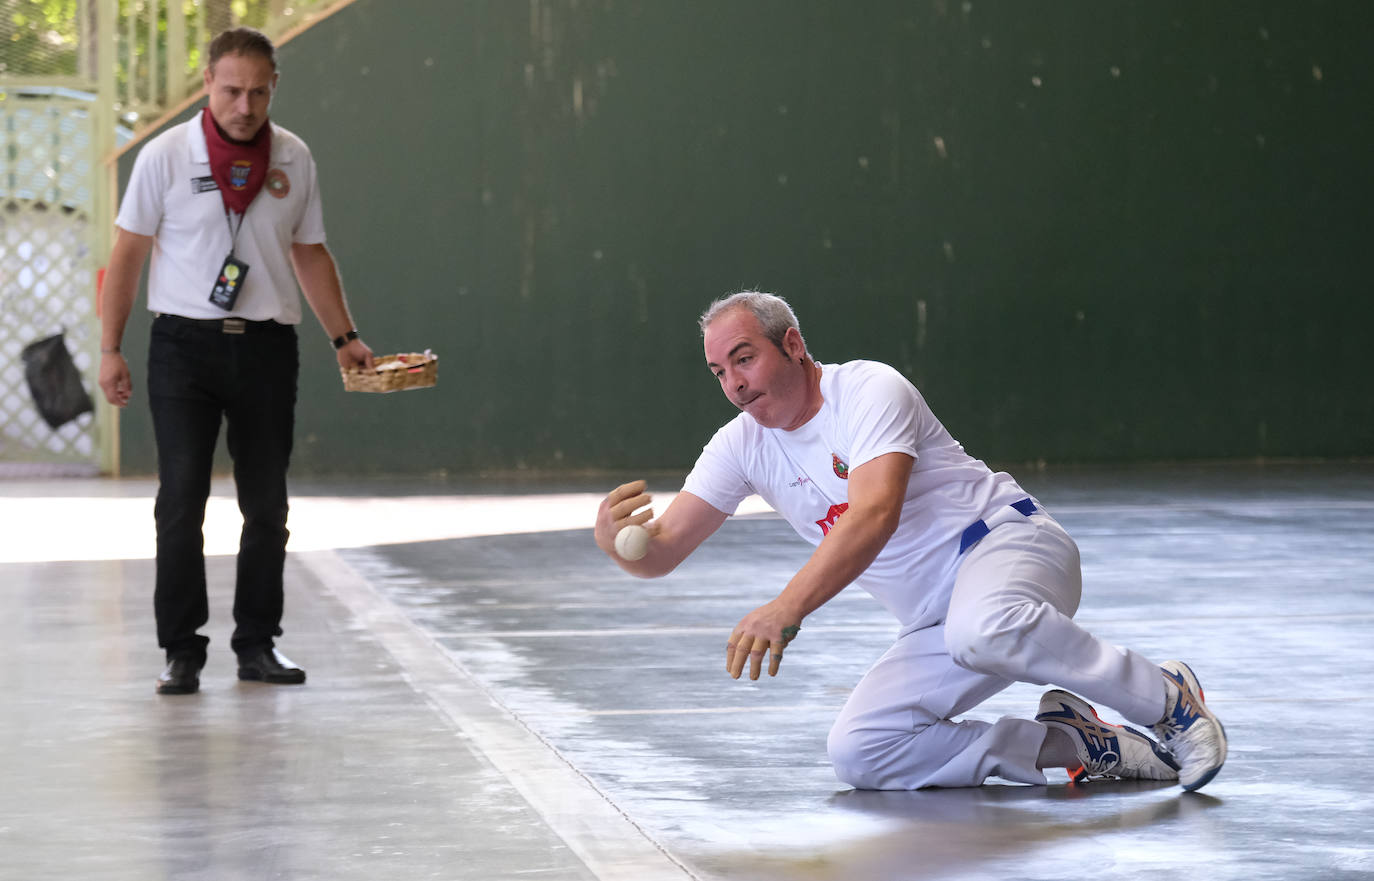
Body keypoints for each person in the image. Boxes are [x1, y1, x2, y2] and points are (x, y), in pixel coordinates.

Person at [594, 291, 1227, 791]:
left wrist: (787, 607)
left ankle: (1168, 701)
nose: (733, 382)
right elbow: (664, 548)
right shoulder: (740, 445)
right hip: (935, 622)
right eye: (718, 371)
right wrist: (617, 539)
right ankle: (1080, 744)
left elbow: (874, 515)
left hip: (1007, 546)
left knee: (984, 627)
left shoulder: (868, 390)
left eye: (744, 357)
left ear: (792, 345)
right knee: (862, 752)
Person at [98, 27, 373, 696]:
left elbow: (311, 252)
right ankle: (181, 651)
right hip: (183, 349)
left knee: (266, 503)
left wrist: (345, 337)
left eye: (257, 92)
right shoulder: (164, 157)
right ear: (207, 86)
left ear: (273, 88)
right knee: (181, 498)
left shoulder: (294, 158)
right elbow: (128, 253)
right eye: (231, 91)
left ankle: (257, 643)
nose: (244, 106)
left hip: (267, 348)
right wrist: (110, 348)